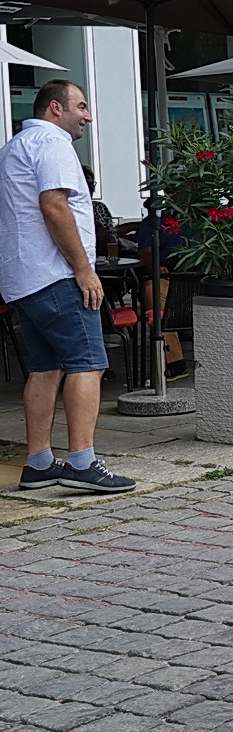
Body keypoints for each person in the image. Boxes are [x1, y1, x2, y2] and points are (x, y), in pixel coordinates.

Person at [0, 81, 134, 494]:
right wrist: (84, 269)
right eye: (81, 106)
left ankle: (39, 462)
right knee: (87, 362)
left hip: (23, 278)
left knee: (45, 367)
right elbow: (54, 205)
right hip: (55, 274)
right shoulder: (52, 142)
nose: (88, 116)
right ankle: (82, 461)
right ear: (55, 108)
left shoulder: (14, 146)